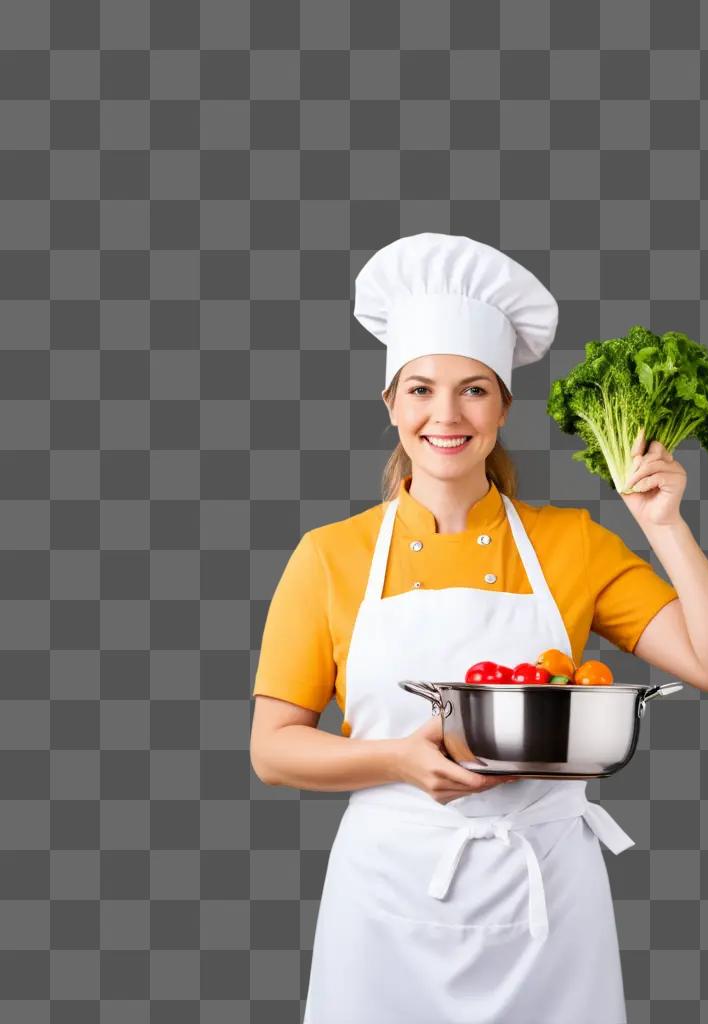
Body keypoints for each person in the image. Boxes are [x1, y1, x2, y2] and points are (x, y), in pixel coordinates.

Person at [249, 233, 684, 1024]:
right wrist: (398, 761)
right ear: (390, 403)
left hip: (546, 900)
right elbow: (272, 749)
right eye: (419, 390)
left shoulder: (572, 543)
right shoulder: (328, 556)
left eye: (473, 390)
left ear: (503, 406)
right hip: (384, 902)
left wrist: (663, 524)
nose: (445, 415)